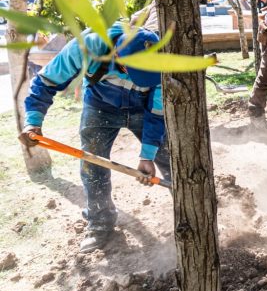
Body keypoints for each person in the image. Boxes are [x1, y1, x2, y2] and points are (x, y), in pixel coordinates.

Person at [18, 21, 170, 253]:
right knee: (92, 165)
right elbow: (46, 81)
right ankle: (100, 222)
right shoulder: (85, 47)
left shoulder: (159, 60)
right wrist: (33, 122)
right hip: (101, 105)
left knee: (171, 157)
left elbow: (156, 112)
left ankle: (188, 203)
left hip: (142, 108)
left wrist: (147, 155)